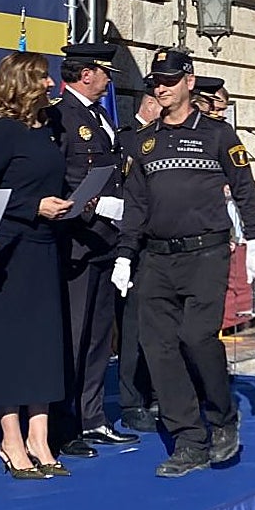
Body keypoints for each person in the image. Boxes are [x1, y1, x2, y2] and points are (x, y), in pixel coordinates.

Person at [113, 49, 255, 477]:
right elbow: (136, 204)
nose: (160, 88)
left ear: (189, 81)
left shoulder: (218, 135)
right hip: (156, 257)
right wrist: (126, 254)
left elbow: (243, 187)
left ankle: (221, 417)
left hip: (205, 253)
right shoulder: (145, 141)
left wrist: (254, 238)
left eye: (167, 80)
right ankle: (188, 438)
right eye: (155, 82)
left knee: (198, 338)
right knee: (158, 347)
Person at [0, 52, 74, 479]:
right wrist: (34, 206)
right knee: (11, 347)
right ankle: (11, 439)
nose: (51, 86)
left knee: (44, 345)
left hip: (46, 247)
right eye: (43, 78)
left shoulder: (46, 130)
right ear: (22, 83)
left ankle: (40, 437)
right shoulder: (3, 133)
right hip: (10, 250)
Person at [47, 44, 139, 457]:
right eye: (104, 71)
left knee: (100, 337)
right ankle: (66, 424)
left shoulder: (100, 115)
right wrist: (93, 206)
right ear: (86, 74)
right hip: (78, 242)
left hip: (106, 239)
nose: (108, 79)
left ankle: (94, 416)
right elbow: (57, 175)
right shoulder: (60, 114)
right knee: (74, 335)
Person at [114, 90, 162, 433]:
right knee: (133, 330)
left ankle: (159, 392)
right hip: (132, 242)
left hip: (162, 243)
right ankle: (132, 401)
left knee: (160, 328)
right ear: (150, 104)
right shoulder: (129, 141)